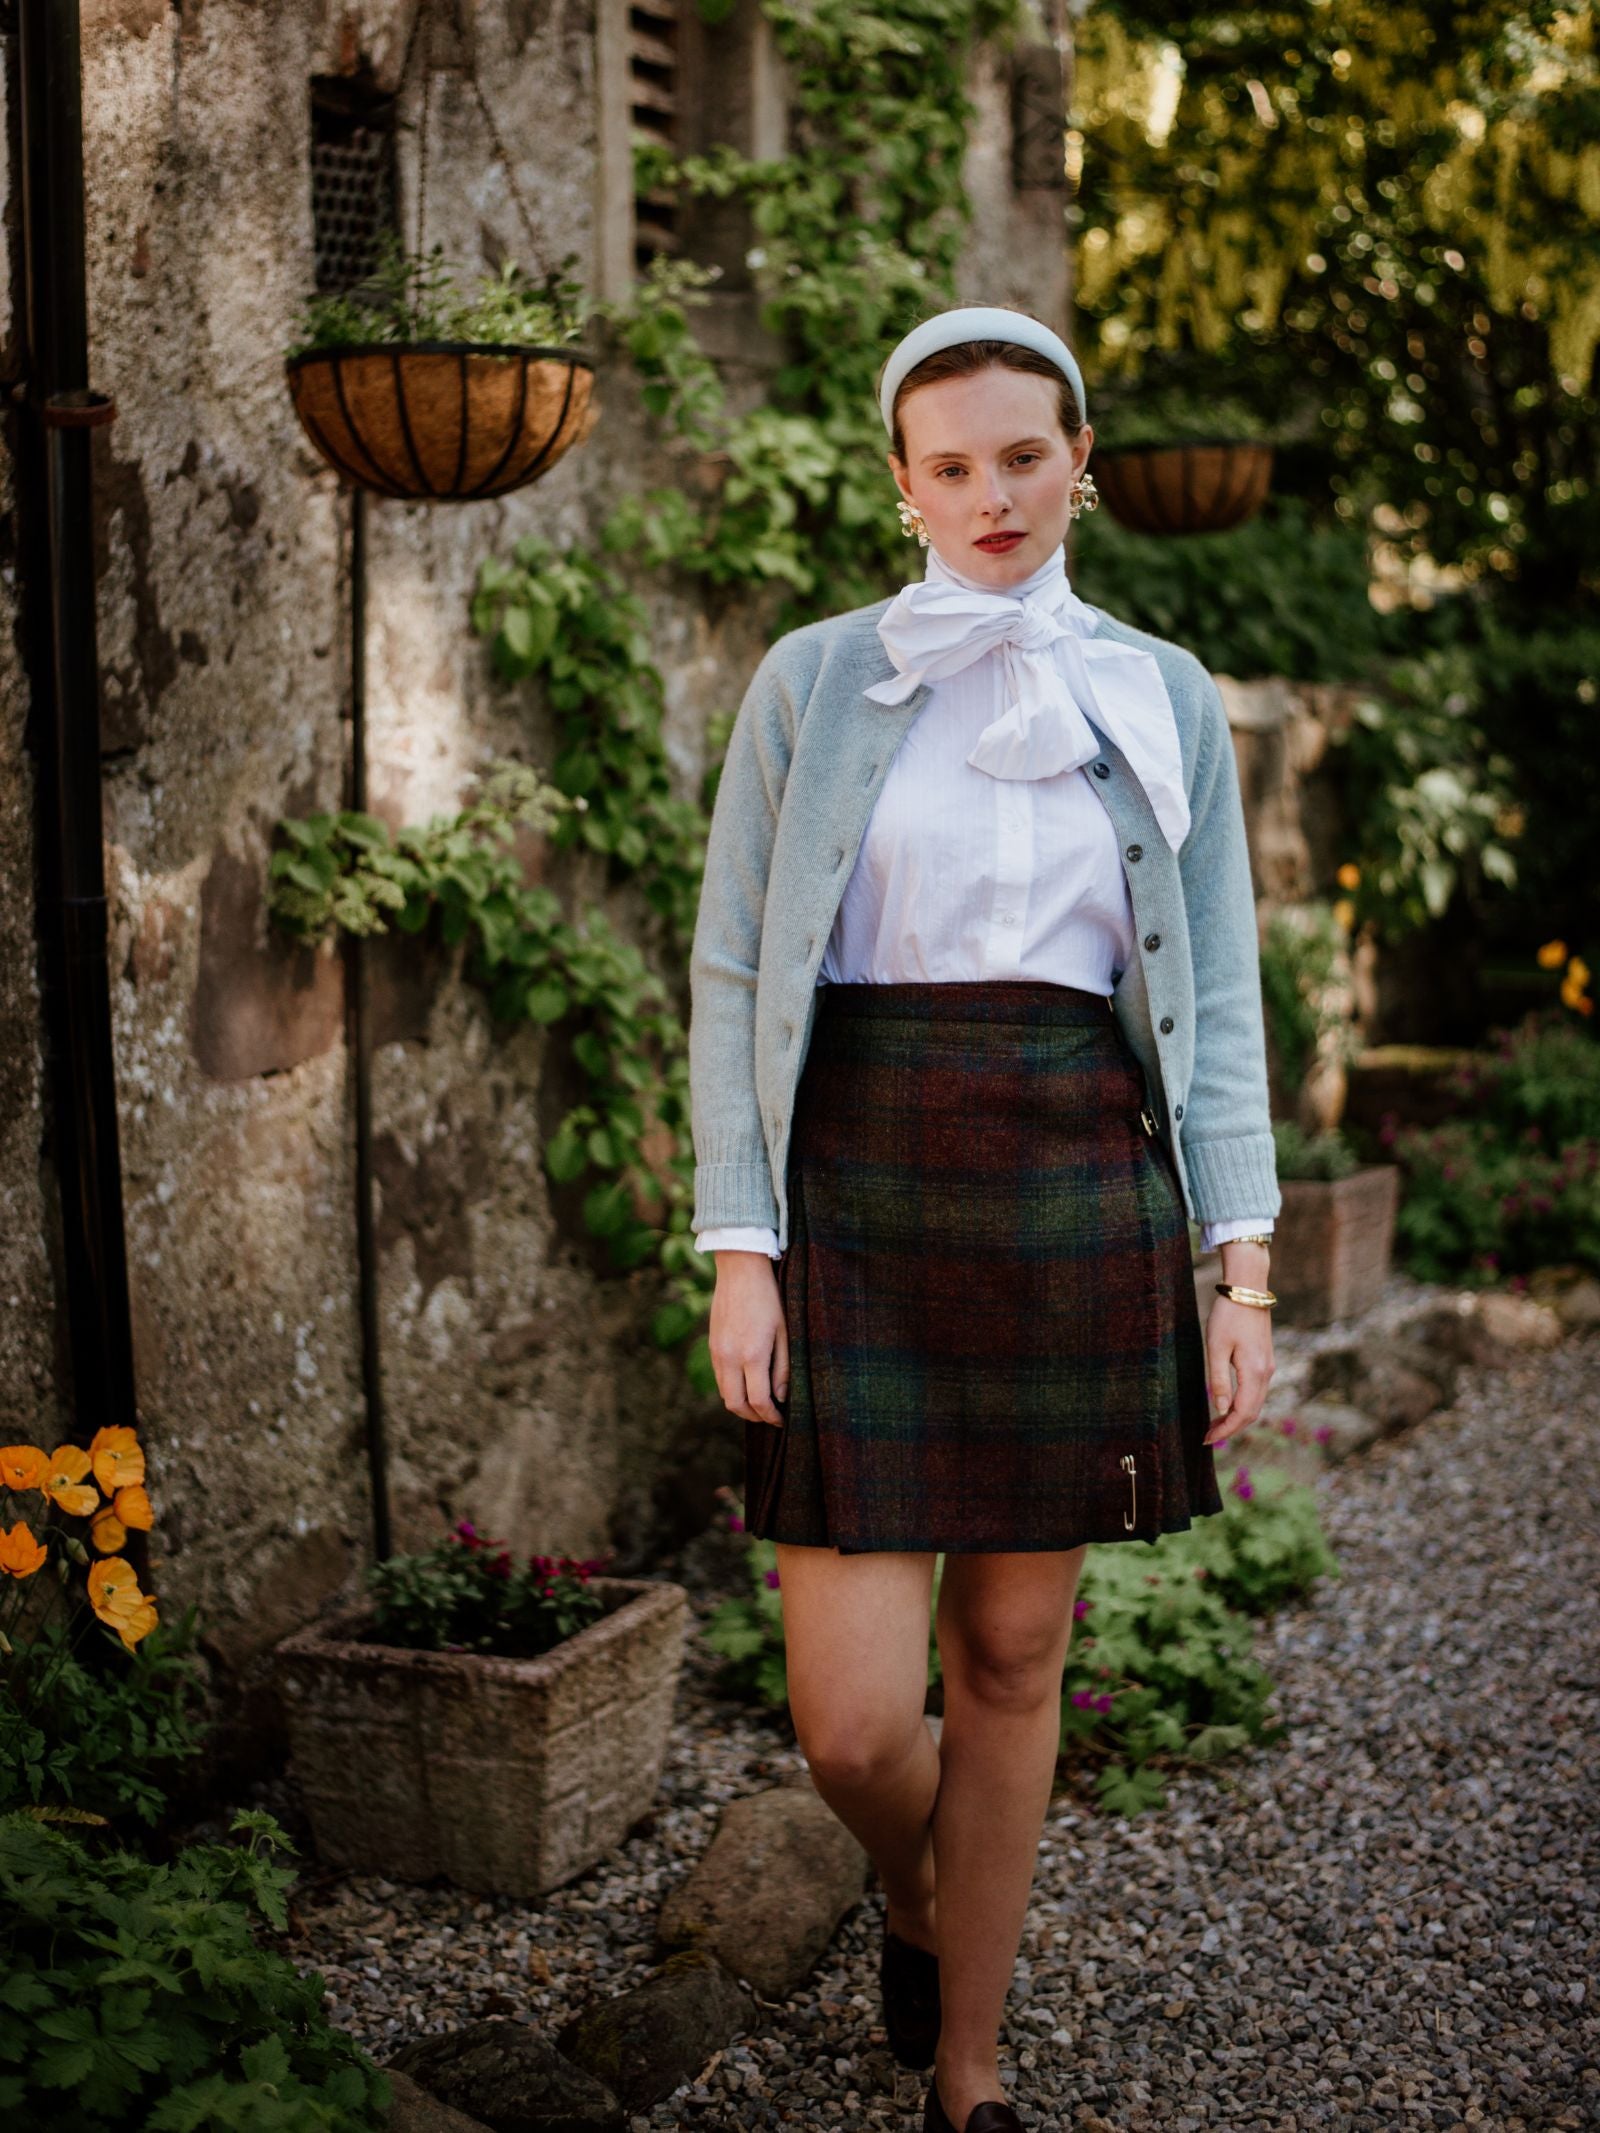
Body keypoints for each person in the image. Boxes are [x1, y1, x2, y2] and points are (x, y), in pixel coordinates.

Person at [687, 305, 1280, 2133]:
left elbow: (1224, 996)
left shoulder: (1162, 692)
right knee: (854, 1725)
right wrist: (741, 1244)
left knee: (1013, 1655)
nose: (992, 494)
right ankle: (922, 1883)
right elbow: (731, 970)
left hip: (1080, 1181)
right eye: (951, 465)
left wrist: (1237, 1263)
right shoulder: (811, 682)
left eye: (1023, 453)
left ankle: (969, 2065)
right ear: (904, 488)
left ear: (1077, 457)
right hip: (856, 1178)